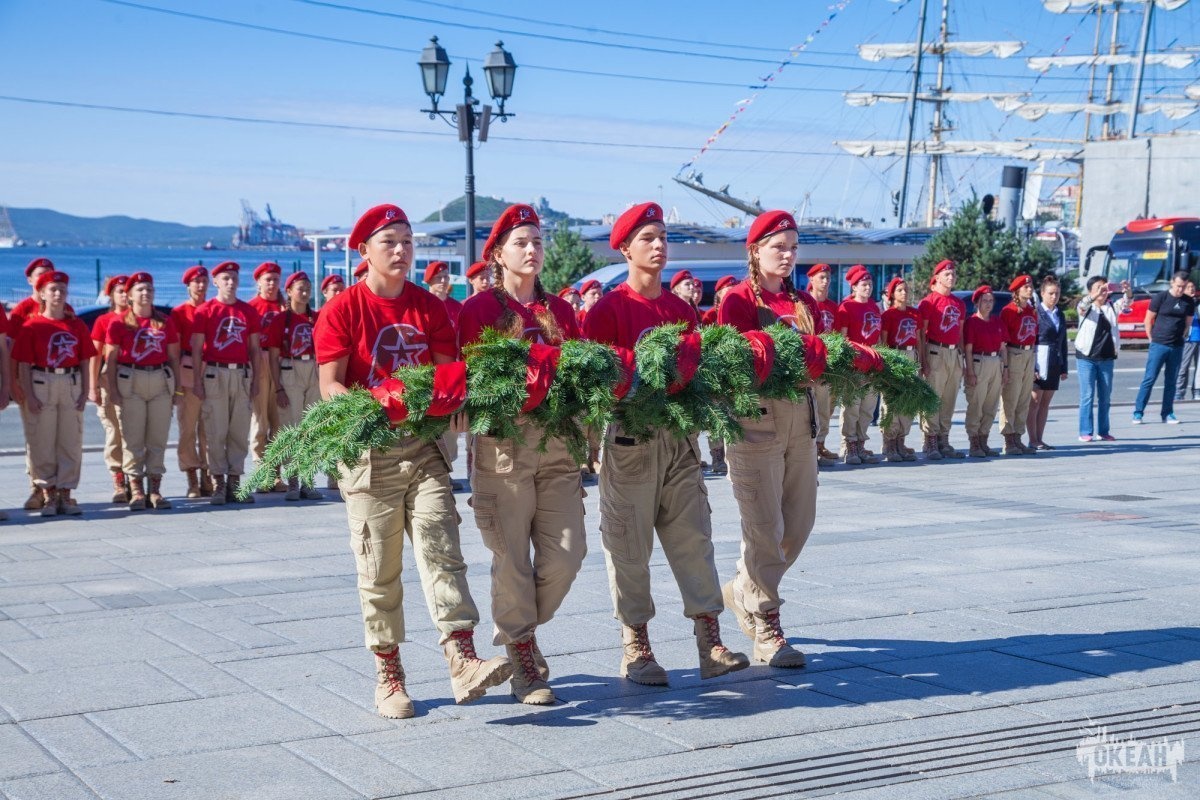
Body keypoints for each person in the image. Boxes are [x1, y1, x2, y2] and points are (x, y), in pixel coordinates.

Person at [314, 203, 511, 719]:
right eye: (390, 242)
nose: (401, 250)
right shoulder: (342, 310)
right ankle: (389, 674)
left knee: (443, 548)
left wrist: (451, 401)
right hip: (369, 454)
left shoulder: (429, 308)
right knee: (379, 568)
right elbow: (330, 384)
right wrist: (371, 407)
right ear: (364, 251)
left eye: (407, 241)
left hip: (424, 448)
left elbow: (448, 374)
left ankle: (462, 658)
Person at [584, 201, 749, 686]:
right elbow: (596, 384)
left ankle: (709, 642)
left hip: (679, 442)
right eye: (648, 239)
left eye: (662, 237)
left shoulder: (680, 310)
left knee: (694, 540)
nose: (658, 246)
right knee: (628, 549)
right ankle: (637, 649)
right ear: (625, 249)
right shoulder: (607, 310)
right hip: (630, 442)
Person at [457, 204, 587, 705]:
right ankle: (523, 654)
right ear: (497, 255)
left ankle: (517, 628)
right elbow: (473, 382)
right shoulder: (478, 311)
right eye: (521, 243)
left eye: (537, 241)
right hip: (504, 446)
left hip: (557, 443)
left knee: (568, 553)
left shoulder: (562, 312)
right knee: (511, 557)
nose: (532, 250)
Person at [717, 209, 816, 668]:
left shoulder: (804, 304)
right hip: (756, 418)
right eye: (779, 246)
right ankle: (767, 626)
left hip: (800, 418)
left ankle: (743, 586)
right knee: (763, 528)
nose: (788, 255)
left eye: (793, 247)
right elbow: (737, 362)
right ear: (755, 251)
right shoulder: (737, 301)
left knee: (798, 524)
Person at [11, 270, 94, 517]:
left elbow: (85, 360)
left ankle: (66, 493)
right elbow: (24, 364)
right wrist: (29, 394)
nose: (58, 294)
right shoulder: (32, 326)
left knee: (70, 440)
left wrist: (85, 391)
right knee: (42, 440)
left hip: (70, 381)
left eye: (62, 290)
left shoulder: (76, 325)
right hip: (42, 381)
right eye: (53, 290)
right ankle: (47, 493)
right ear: (42, 294)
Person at [105, 273, 181, 510]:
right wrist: (112, 390)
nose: (145, 293)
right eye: (140, 289)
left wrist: (177, 391)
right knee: (132, 437)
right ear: (129, 295)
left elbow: (173, 357)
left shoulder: (165, 322)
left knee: (158, 437)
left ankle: (155, 490)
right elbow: (111, 360)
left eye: (149, 289)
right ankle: (136, 489)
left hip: (160, 381)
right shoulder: (119, 323)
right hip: (131, 381)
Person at [190, 261, 261, 505]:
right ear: (216, 282)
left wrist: (256, 380)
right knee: (216, 430)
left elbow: (254, 349)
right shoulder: (205, 311)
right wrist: (197, 381)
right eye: (225, 278)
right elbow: (197, 349)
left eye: (234, 278)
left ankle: (235, 481)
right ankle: (218, 482)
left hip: (241, 375)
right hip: (214, 373)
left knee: (239, 431)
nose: (231, 282)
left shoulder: (247, 311)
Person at [8, 257, 74, 512]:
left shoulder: (66, 308)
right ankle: (38, 488)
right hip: (31, 379)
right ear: (30, 280)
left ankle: (60, 490)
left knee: (61, 437)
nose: (45, 278)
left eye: (49, 273)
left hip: (60, 380)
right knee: (36, 437)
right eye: (40, 274)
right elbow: (11, 349)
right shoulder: (23, 310)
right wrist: (14, 383)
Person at [266, 271, 322, 501]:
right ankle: (293, 480)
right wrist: (278, 387)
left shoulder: (317, 318)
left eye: (308, 287)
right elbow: (273, 357)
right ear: (289, 292)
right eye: (301, 288)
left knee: (312, 427)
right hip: (291, 370)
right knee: (292, 427)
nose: (305, 292)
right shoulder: (280, 320)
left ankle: (308, 480)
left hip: (314, 370)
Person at [917, 260, 967, 460]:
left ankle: (943, 439)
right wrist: (923, 360)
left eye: (953, 274)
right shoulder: (929, 302)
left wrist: (962, 359)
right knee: (933, 397)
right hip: (935, 350)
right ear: (937, 277)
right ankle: (929, 440)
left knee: (949, 398)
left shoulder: (958, 303)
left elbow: (960, 333)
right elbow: (921, 334)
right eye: (947, 274)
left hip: (954, 353)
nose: (951, 277)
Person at [1133, 270, 1195, 424]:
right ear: (1172, 282)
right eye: (1178, 286)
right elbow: (1148, 320)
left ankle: (1167, 413)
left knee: (1171, 381)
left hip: (1177, 346)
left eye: (1183, 287)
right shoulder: (1160, 297)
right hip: (1159, 344)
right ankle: (1138, 412)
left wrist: (1182, 335)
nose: (1180, 289)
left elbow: (1188, 322)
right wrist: (1151, 338)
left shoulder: (1188, 301)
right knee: (1149, 379)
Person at [836, 265, 883, 465]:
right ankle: (849, 445)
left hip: (872, 363)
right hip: (854, 363)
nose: (868, 288)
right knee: (852, 406)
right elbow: (842, 339)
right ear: (854, 287)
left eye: (870, 284)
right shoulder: (846, 307)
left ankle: (861, 443)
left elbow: (878, 337)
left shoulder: (874, 306)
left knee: (868, 407)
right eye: (864, 285)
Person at [171, 265, 212, 498]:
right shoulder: (179, 313)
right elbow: (174, 350)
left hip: (212, 369)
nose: (201, 285)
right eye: (196, 282)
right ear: (188, 286)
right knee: (188, 428)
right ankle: (191, 477)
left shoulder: (213, 309)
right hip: (187, 371)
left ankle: (208, 474)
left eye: (204, 281)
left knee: (210, 429)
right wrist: (176, 384)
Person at [90, 275, 131, 503]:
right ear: (112, 296)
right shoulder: (103, 321)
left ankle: (135, 478)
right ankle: (118, 479)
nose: (124, 295)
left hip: (134, 377)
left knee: (133, 432)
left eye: (127, 291)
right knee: (114, 431)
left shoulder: (138, 319)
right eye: (120, 291)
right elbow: (95, 355)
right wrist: (93, 386)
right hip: (109, 379)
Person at [1077, 277, 1133, 442]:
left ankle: (1103, 431)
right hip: (1086, 358)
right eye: (1098, 287)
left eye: (1104, 287)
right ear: (1090, 291)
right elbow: (1082, 306)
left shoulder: (1112, 307)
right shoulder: (1087, 306)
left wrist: (1127, 291)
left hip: (1107, 358)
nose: (1102, 290)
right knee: (1087, 396)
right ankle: (1085, 431)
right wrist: (1095, 296)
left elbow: (1127, 302)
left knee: (1105, 397)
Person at [249, 262, 286, 491]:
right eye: (268, 279)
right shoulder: (251, 307)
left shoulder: (285, 308)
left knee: (279, 421)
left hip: (282, 363)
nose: (272, 284)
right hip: (260, 362)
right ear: (259, 282)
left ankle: (276, 472)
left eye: (275, 279)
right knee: (260, 420)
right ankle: (262, 472)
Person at [962, 286, 1007, 459]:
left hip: (995, 362)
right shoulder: (972, 322)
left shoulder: (997, 321)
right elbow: (968, 349)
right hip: (979, 361)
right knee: (976, 403)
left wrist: (1005, 369)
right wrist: (970, 372)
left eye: (991, 301)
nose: (988, 304)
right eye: (984, 301)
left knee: (991, 405)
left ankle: (983, 440)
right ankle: (974, 442)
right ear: (977, 303)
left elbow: (1003, 348)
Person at [699, 274, 737, 475]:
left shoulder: (738, 311)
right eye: (727, 289)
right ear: (719, 293)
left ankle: (733, 455)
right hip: (714, 372)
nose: (731, 292)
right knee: (715, 415)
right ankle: (717, 456)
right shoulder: (710, 317)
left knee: (733, 414)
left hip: (733, 371)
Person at [880, 277, 921, 462]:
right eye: (899, 290)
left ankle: (901, 440)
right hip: (895, 354)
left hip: (911, 355)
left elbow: (919, 339)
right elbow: (884, 341)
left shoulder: (914, 313)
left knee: (907, 400)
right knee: (892, 400)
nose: (904, 293)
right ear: (892, 294)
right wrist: (885, 365)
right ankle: (889, 442)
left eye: (906, 290)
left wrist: (921, 361)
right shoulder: (888, 315)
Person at [1028, 276, 1070, 450]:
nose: (1054, 297)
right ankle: (1032, 439)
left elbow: (1063, 341)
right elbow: (1030, 340)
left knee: (1045, 403)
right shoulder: (1035, 313)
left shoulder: (1059, 314)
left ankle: (1040, 438)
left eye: (1057, 293)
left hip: (1054, 361)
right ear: (1042, 293)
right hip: (1039, 360)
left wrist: (1064, 366)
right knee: (1034, 401)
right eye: (1051, 293)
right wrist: (1032, 367)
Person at [1000, 274, 1039, 455]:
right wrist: (1005, 366)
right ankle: (1008, 440)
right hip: (1014, 353)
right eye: (1025, 287)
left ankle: (1018, 437)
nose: (1030, 290)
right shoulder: (1008, 311)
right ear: (1017, 291)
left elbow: (1034, 336)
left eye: (1031, 287)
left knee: (1024, 399)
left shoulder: (1031, 310)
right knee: (1011, 398)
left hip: (1028, 353)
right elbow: (1003, 341)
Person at [806, 263, 839, 467]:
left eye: (828, 278)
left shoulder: (833, 306)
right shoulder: (804, 304)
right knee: (810, 406)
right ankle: (808, 448)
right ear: (811, 280)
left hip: (828, 361)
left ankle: (820, 444)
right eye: (821, 277)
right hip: (810, 361)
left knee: (826, 405)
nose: (826, 281)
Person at [1175, 280, 1200, 402]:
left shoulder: (1197, 302)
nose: (1191, 289)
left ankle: (1197, 391)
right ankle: (1179, 392)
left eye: (1193, 287)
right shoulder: (1181, 303)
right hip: (1188, 339)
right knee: (1183, 367)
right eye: (1188, 287)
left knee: (1199, 369)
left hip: (1198, 338)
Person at [423, 260, 463, 328]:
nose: (443, 280)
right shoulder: (421, 305)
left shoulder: (457, 307)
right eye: (438, 277)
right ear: (429, 280)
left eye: (446, 277)